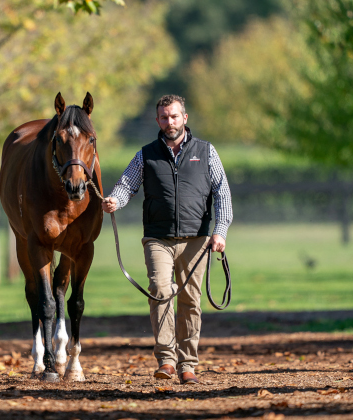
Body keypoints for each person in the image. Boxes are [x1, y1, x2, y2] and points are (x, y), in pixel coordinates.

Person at [102, 94, 232, 385]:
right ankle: (166, 361)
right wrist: (115, 201)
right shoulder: (145, 154)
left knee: (190, 301)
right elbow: (126, 185)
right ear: (157, 120)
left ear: (184, 118)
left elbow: (222, 192)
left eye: (174, 116)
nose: (169, 122)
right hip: (157, 238)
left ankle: (188, 364)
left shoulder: (206, 151)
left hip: (197, 240)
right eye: (164, 117)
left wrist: (220, 231)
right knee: (160, 291)